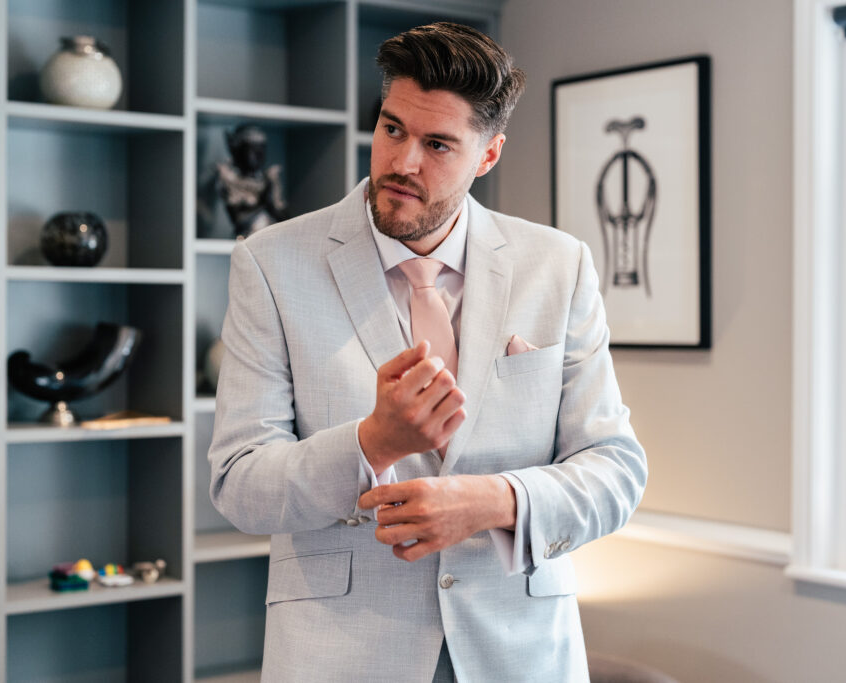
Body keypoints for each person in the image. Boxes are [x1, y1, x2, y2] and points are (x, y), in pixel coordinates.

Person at [209, 22, 647, 682]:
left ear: (488, 156)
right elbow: (239, 481)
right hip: (344, 657)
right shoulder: (271, 265)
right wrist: (371, 441)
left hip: (519, 652)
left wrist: (495, 500)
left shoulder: (560, 266)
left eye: (437, 143)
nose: (402, 162)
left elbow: (615, 468)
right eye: (391, 129)